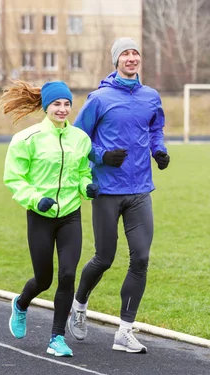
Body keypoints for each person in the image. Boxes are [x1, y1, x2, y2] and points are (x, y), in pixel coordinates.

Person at [68, 37, 170, 354]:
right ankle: (79, 305)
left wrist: (160, 150)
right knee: (105, 258)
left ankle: (124, 331)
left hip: (140, 189)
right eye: (125, 53)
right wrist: (100, 156)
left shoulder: (151, 97)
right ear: (116, 61)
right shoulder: (99, 98)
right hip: (108, 191)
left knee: (140, 257)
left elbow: (155, 129)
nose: (131, 57)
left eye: (135, 52)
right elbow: (77, 138)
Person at [0, 80, 99, 357]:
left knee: (67, 275)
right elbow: (14, 178)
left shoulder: (80, 138)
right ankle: (21, 304)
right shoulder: (26, 139)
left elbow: (82, 173)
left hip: (70, 215)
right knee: (43, 279)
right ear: (46, 107)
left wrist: (86, 188)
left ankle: (57, 338)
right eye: (57, 103)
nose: (63, 109)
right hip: (40, 216)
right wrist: (36, 200)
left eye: (67, 104)